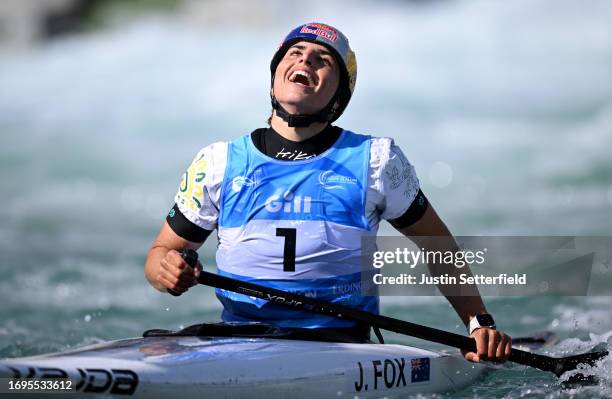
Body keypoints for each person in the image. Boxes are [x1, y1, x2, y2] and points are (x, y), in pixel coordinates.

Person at [144, 22, 511, 363]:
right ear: (275, 77)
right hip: (238, 341)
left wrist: (479, 324)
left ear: (338, 96)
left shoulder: (376, 162)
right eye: (295, 52)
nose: (305, 59)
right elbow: (160, 254)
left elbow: (437, 244)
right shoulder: (218, 162)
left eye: (322, 60)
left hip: (339, 347)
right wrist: (166, 271)